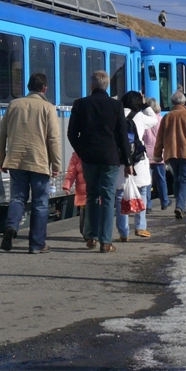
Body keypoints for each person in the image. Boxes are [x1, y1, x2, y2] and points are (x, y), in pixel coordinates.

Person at [0, 72, 62, 254]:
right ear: (45, 88)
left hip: (16, 161)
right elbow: (54, 139)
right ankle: (36, 244)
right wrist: (56, 165)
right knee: (40, 203)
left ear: (28, 87)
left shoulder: (13, 105)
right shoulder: (48, 108)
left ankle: (11, 227)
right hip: (39, 162)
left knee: (17, 198)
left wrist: (1, 159)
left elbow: (1, 135)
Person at [67, 70, 131, 253]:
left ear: (91, 85)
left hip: (89, 158)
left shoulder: (80, 104)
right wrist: (128, 161)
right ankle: (105, 242)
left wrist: (82, 151)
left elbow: (72, 134)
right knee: (108, 196)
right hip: (110, 158)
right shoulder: (116, 106)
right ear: (107, 86)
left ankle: (91, 237)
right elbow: (122, 136)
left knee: (92, 195)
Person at [153, 91, 186, 219]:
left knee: (177, 179)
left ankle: (180, 204)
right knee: (185, 179)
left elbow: (160, 138)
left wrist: (157, 154)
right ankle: (180, 206)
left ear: (172, 102)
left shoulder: (167, 117)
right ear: (184, 102)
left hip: (171, 153)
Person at [116, 91, 157, 240]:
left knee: (120, 194)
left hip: (120, 161)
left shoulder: (116, 114)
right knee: (143, 192)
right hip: (138, 161)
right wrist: (145, 104)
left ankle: (123, 232)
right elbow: (154, 120)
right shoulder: (139, 117)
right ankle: (140, 227)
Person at [142, 98, 169, 211]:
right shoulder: (161, 120)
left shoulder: (143, 120)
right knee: (161, 179)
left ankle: (147, 205)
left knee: (147, 181)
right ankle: (164, 201)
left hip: (146, 154)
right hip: (159, 154)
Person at [62, 151, 91, 242]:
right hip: (82, 194)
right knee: (84, 214)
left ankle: (91, 234)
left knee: (94, 213)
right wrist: (67, 185)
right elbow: (71, 172)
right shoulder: (77, 155)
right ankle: (86, 233)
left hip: (94, 191)